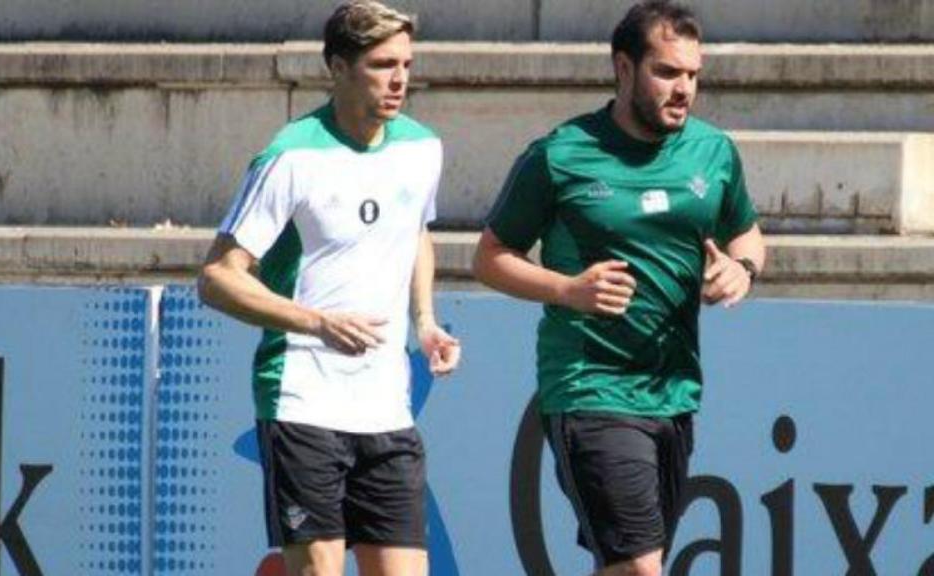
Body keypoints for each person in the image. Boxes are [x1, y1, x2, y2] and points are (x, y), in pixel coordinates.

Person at [472, 2, 766, 575]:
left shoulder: (713, 151)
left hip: (675, 392)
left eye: (692, 75)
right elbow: (488, 258)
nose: (684, 89)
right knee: (638, 567)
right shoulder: (561, 155)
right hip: (591, 389)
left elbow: (747, 233)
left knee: (626, 565)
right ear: (624, 68)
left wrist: (742, 269)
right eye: (667, 72)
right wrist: (566, 289)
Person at [198, 2, 461, 575]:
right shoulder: (291, 155)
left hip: (386, 409)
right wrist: (316, 321)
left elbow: (414, 231)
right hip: (302, 400)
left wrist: (425, 320)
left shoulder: (422, 149)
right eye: (381, 64)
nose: (399, 80)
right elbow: (218, 277)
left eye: (407, 65)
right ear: (338, 67)